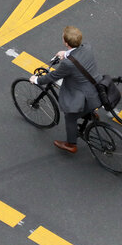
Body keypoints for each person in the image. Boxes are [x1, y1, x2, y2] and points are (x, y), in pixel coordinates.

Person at [29, 26, 101, 154]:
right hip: (98, 89)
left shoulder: (67, 64)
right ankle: (90, 113)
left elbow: (52, 76)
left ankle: (71, 144)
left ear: (66, 43)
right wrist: (66, 54)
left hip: (86, 97)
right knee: (81, 103)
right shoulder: (87, 47)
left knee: (70, 117)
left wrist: (36, 80)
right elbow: (78, 55)